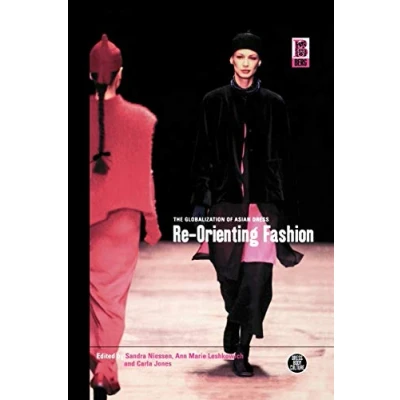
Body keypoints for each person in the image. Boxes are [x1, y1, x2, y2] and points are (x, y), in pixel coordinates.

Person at [191, 31, 304, 377]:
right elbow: (203, 153)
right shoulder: (213, 101)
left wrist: (287, 207)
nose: (245, 63)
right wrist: (201, 201)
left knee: (258, 278)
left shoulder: (274, 103)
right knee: (229, 276)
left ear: (259, 62)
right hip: (225, 203)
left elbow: (286, 158)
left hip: (263, 206)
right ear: (231, 59)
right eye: (239, 56)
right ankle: (233, 317)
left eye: (251, 57)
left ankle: (242, 348)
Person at [89, 34, 161, 396]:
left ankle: (97, 359)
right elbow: (144, 175)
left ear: (90, 75)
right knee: (111, 301)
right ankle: (104, 368)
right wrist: (152, 224)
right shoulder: (142, 120)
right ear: (121, 75)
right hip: (120, 223)